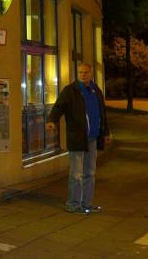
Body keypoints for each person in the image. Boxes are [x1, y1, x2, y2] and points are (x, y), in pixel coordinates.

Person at [47, 62, 111, 214]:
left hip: (92, 138)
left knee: (90, 173)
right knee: (76, 174)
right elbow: (59, 106)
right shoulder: (71, 90)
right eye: (81, 72)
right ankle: (73, 204)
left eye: (86, 72)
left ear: (91, 74)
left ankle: (87, 203)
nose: (83, 75)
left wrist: (106, 132)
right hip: (77, 137)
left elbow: (102, 113)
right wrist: (52, 120)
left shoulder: (96, 90)